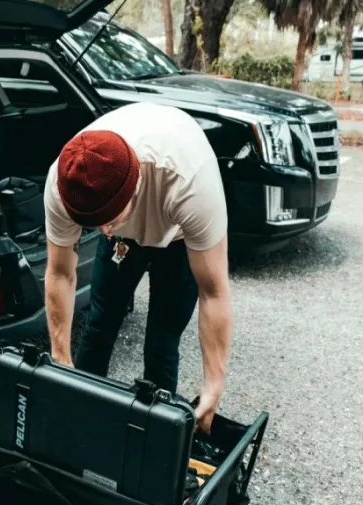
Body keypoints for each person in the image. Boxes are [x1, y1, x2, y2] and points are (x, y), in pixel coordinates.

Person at [42, 102, 232, 433]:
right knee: (100, 322)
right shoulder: (65, 183)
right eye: (93, 225)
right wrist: (61, 363)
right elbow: (60, 273)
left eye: (108, 220)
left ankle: (153, 434)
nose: (102, 231)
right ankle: (80, 416)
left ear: (136, 188)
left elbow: (214, 291)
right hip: (124, 242)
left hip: (177, 236)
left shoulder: (190, 183)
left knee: (162, 340)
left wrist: (213, 383)